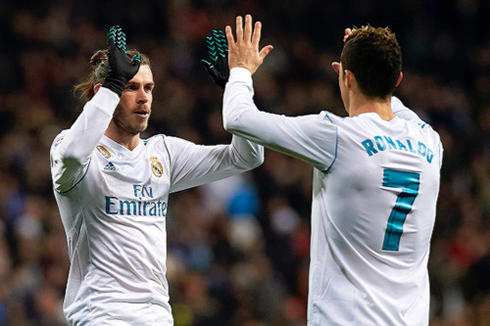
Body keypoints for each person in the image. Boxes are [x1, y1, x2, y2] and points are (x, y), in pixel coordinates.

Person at [220, 15, 443, 325]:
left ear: (346, 77)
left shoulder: (337, 137)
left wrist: (241, 70)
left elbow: (237, 118)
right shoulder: (430, 141)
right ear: (398, 80)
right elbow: (393, 103)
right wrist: (366, 62)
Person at [49, 25, 263, 325]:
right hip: (102, 314)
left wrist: (236, 88)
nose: (143, 97)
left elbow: (248, 156)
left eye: (148, 88)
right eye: (131, 86)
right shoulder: (73, 149)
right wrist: (112, 85)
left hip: (158, 315)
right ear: (104, 92)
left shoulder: (163, 153)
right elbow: (72, 154)